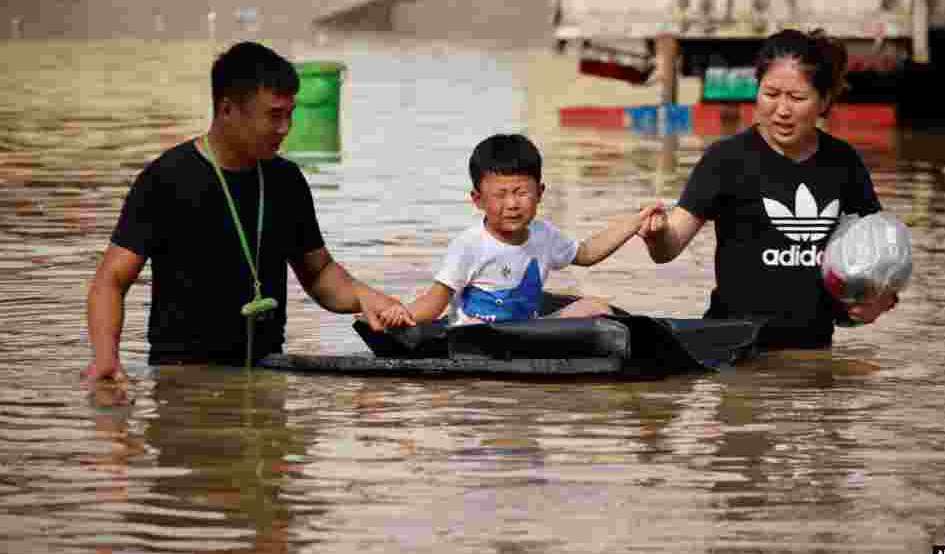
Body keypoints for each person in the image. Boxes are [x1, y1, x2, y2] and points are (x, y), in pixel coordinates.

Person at [82, 41, 414, 382]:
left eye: (290, 114)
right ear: (227, 110)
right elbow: (110, 281)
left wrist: (365, 296)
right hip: (182, 378)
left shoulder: (286, 181)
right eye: (274, 115)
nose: (285, 128)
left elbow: (318, 273)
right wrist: (106, 357)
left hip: (267, 373)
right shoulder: (166, 179)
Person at [639, 29, 897, 348]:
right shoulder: (726, 160)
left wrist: (879, 300)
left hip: (812, 351)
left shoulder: (844, 163)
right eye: (771, 94)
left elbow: (880, 255)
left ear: (825, 100)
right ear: (756, 90)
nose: (783, 110)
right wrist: (656, 235)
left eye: (797, 98)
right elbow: (670, 245)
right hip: (732, 349)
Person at [381, 133, 660, 327]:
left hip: (529, 329)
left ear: (539, 193)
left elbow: (587, 253)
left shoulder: (544, 234)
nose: (512, 204)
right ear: (478, 200)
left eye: (521, 193)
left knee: (597, 307)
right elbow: (435, 301)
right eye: (500, 195)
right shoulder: (470, 245)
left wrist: (634, 223)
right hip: (476, 333)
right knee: (474, 327)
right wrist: (398, 315)